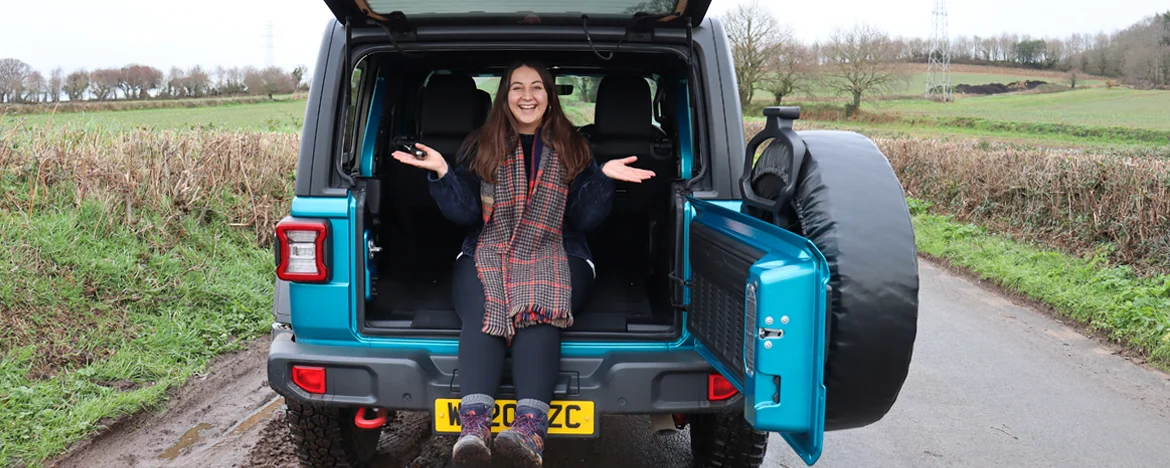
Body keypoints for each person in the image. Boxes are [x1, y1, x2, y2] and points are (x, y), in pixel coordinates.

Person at [391, 62, 656, 467]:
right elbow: (465, 215)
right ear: (505, 95)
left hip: (559, 249)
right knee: (485, 310)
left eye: (536, 87)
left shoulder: (576, 148)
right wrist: (443, 173)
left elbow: (583, 220)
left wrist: (603, 177)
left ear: (550, 96)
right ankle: (474, 430)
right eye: (517, 87)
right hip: (489, 246)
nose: (527, 96)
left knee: (538, 307)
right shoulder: (480, 145)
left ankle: (528, 431)